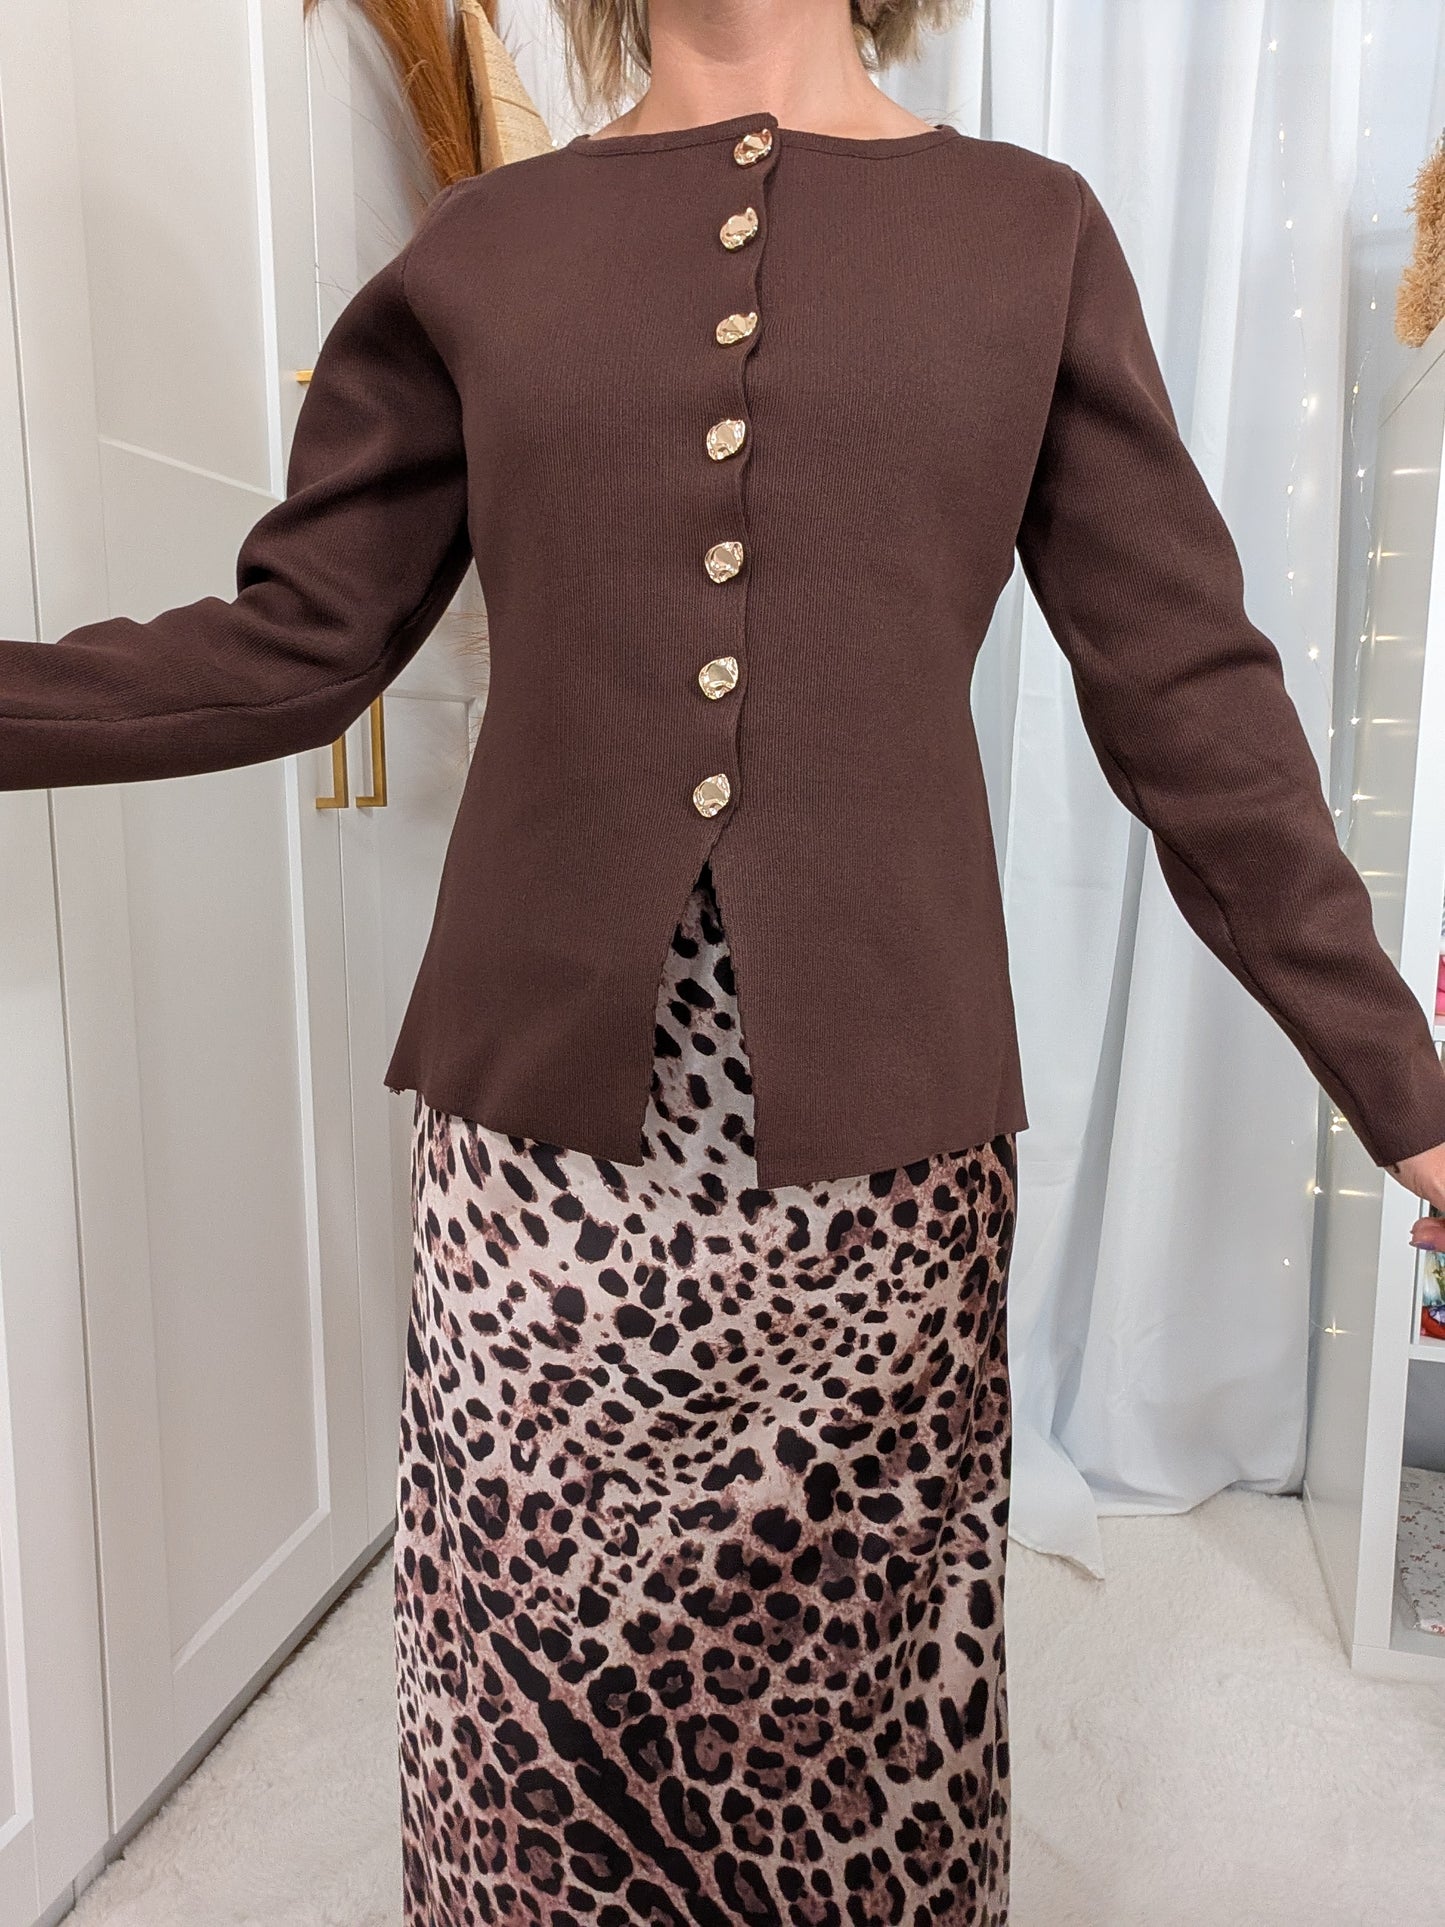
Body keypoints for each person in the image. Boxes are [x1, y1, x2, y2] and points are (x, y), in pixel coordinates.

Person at [4, 1, 1444, 1920]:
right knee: (531, 1690)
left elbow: (1185, 696)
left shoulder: (1027, 232)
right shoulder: (482, 249)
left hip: (885, 1143)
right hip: (537, 1143)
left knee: (856, 1708)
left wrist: (1402, 1089)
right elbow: (291, 644)